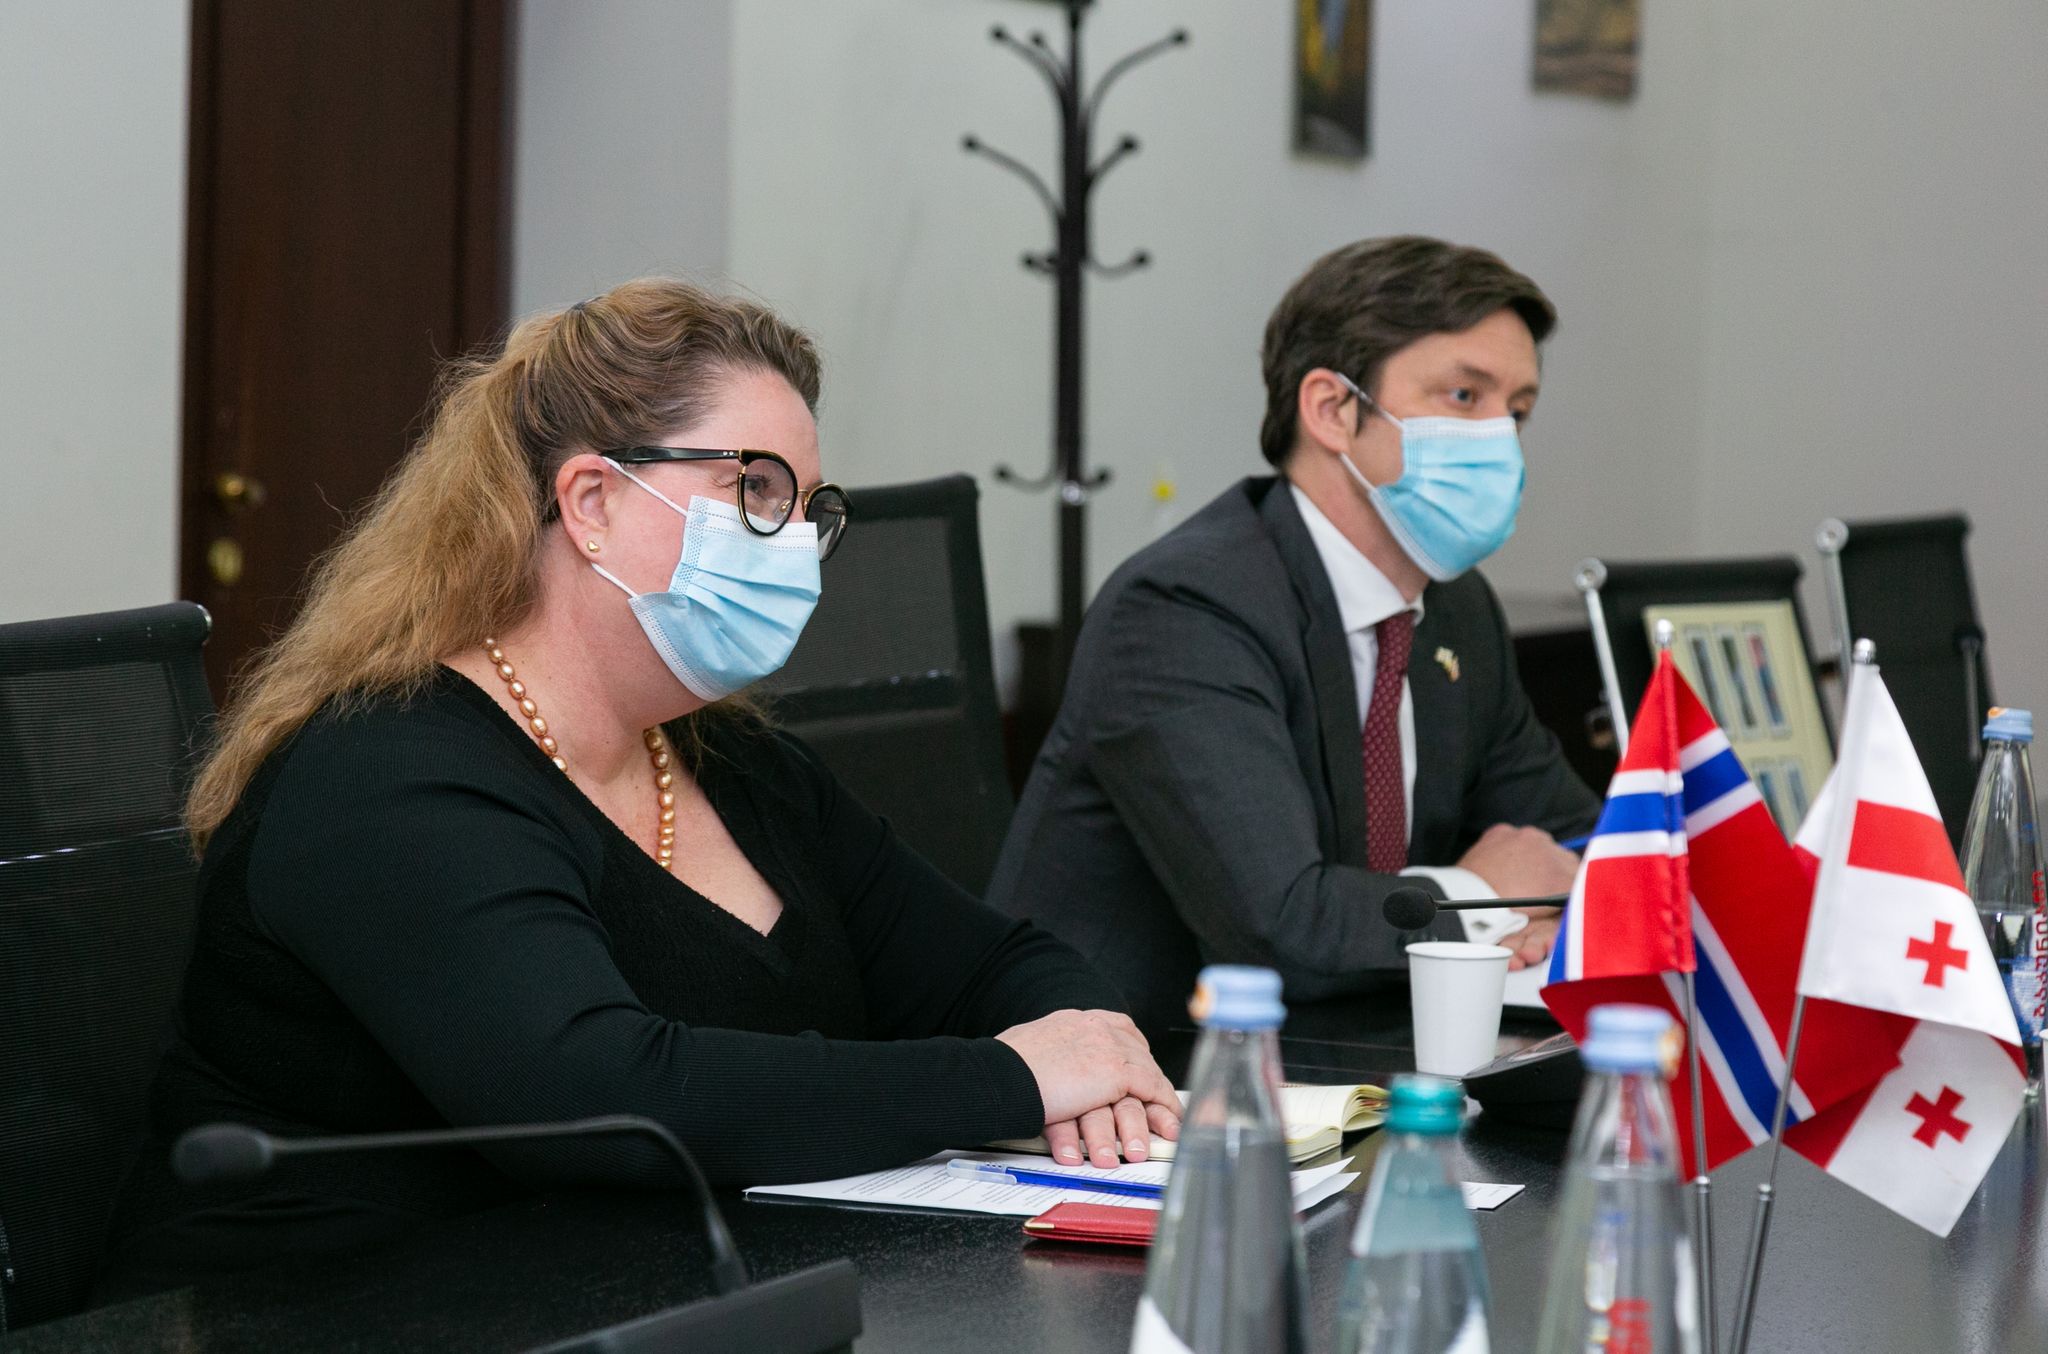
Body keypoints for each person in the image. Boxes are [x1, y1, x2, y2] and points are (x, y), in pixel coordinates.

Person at [99, 279, 1178, 1296]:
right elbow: (601, 1096)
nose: (797, 545)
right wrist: (1015, 1077)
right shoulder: (384, 773)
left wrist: (1093, 1055)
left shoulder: (734, 760)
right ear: (592, 501)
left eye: (809, 507)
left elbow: (996, 964)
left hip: (652, 1293)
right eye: (754, 489)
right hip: (325, 1313)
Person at [989, 236, 1601, 1035]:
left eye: (1517, 411)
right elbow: (1280, 928)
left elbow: (1576, 838)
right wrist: (1480, 900)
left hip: (1354, 1045)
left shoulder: (1458, 609)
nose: (1501, 440)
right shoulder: (1185, 608)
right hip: (1141, 1071)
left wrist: (1561, 907)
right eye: (1463, 396)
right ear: (1331, 410)